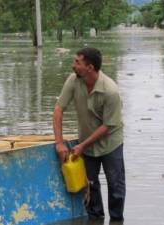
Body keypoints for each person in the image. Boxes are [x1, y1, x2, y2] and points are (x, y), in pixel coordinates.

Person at [53, 48, 125, 223]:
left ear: (90, 67)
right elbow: (58, 109)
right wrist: (59, 142)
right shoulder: (74, 80)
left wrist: (82, 145)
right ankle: (96, 219)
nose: (73, 65)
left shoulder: (110, 91)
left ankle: (117, 220)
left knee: (116, 187)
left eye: (77, 62)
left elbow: (108, 125)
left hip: (110, 143)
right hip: (86, 142)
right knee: (90, 187)